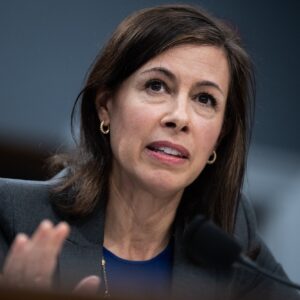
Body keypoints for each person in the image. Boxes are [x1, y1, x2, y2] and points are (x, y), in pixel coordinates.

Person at [0, 4, 298, 300]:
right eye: (157, 86)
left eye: (205, 99)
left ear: (219, 138)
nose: (179, 117)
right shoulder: (13, 217)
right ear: (105, 106)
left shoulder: (229, 235)